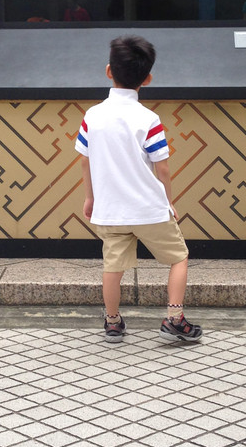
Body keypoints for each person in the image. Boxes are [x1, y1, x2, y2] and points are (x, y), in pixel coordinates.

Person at [76, 35, 203, 343]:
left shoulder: (92, 116)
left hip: (111, 209)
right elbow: (162, 167)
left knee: (113, 267)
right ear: (147, 79)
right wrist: (168, 202)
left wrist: (90, 197)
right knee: (179, 257)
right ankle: (174, 319)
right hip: (148, 208)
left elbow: (84, 160)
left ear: (109, 71)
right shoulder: (149, 119)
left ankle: (113, 322)